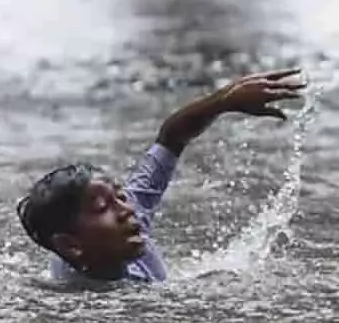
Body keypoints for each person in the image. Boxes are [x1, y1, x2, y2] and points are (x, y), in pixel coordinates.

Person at [17, 69, 305, 285]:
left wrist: (225, 100)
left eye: (120, 197)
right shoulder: (72, 299)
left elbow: (171, 137)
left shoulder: (131, 217)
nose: (128, 209)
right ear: (71, 246)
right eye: (103, 207)